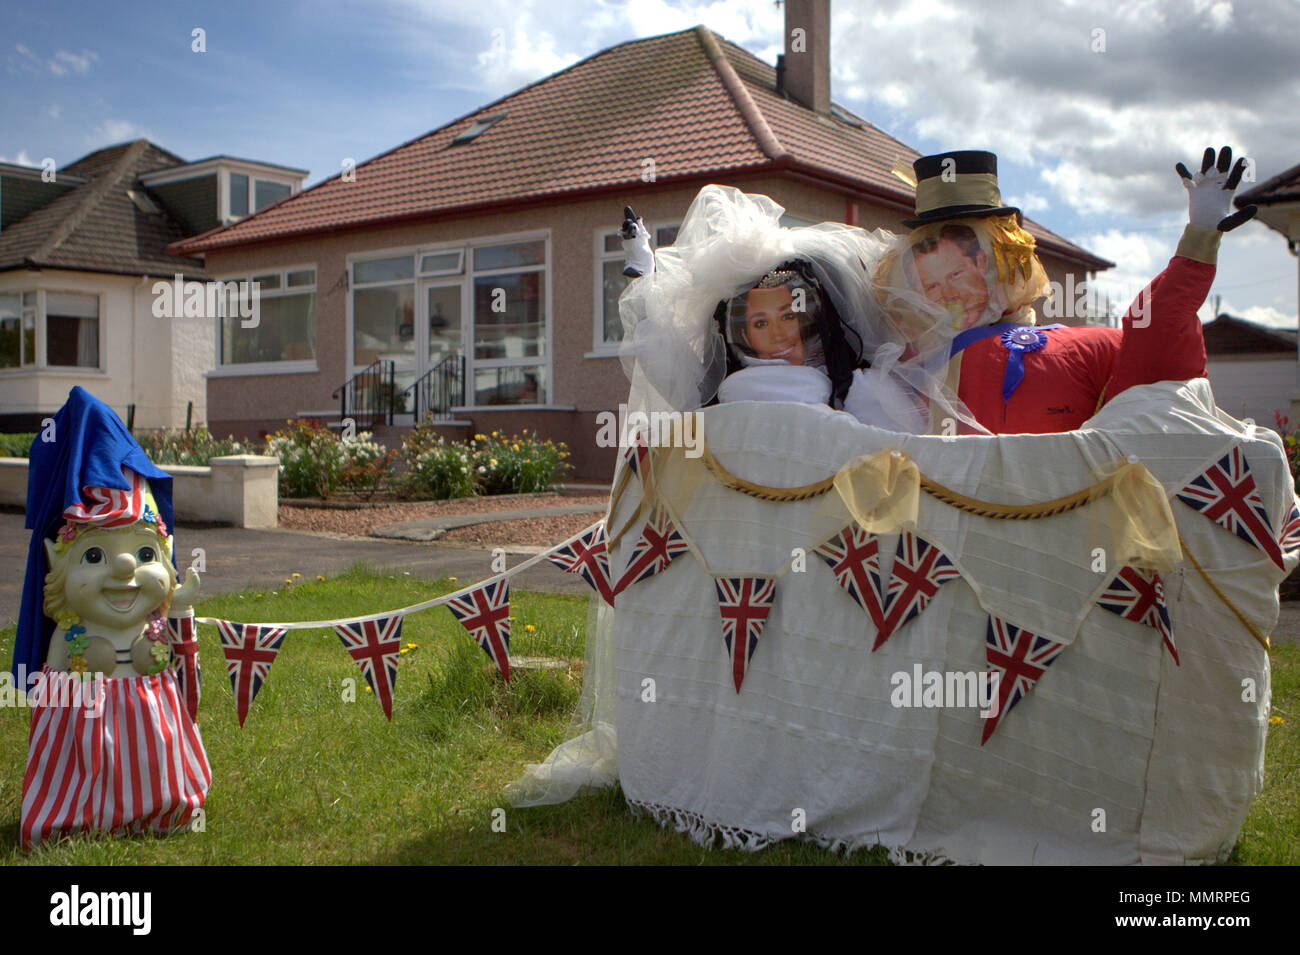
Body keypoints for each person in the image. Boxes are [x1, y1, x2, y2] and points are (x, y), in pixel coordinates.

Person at [873, 148, 1257, 434]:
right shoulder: (903, 377)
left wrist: (1199, 241)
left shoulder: (1084, 350)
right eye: (930, 285)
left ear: (994, 263)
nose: (945, 295)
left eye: (956, 274)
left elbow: (1154, 345)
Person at [14, 386, 209, 849]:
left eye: (145, 553)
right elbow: (51, 694)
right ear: (57, 565)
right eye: (96, 555)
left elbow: (186, 670)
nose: (126, 569)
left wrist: (180, 609)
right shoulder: (71, 631)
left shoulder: (153, 623)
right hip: (85, 728)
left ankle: (163, 806)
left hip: (153, 731)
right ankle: (79, 812)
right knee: (82, 770)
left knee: (158, 764)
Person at [617, 188, 932, 433]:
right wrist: (647, 283)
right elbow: (666, 361)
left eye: (788, 316)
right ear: (742, 335)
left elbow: (906, 463)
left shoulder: (859, 391)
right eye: (760, 323)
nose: (779, 333)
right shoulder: (715, 397)